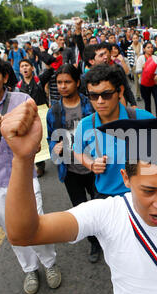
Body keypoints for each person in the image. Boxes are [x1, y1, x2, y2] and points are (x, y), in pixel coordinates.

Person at [0, 105, 157, 294]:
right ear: (126, 178)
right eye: (149, 191)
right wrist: (22, 159)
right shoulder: (106, 213)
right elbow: (24, 234)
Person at [0, 54, 61, 294]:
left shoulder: (23, 100)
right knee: (13, 231)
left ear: (4, 76)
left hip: (25, 177)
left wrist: (26, 141)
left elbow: (37, 144)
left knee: (37, 223)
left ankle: (50, 264)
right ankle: (29, 269)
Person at [73, 64, 155, 263]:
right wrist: (91, 164)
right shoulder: (86, 124)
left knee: (146, 247)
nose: (99, 101)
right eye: (93, 96)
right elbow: (76, 151)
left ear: (119, 92)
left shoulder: (142, 118)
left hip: (140, 196)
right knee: (115, 250)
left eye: (106, 94)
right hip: (105, 197)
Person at [46, 64, 96, 260]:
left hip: (94, 168)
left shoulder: (91, 104)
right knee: (81, 209)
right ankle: (93, 242)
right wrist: (54, 148)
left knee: (101, 204)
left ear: (77, 82)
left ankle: (108, 239)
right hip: (70, 172)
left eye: (67, 82)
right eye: (59, 83)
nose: (63, 86)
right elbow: (51, 137)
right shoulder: (54, 111)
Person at [16, 58, 55, 177]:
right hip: (29, 116)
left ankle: (59, 156)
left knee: (50, 135)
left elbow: (51, 69)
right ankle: (40, 165)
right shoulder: (18, 86)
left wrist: (40, 52)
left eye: (27, 65)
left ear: (32, 68)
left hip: (43, 112)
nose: (24, 68)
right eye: (22, 66)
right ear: (20, 70)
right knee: (35, 140)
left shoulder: (39, 80)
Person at [136, 41, 157, 117]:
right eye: (148, 47)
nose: (150, 49)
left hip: (154, 83)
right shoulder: (141, 58)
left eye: (151, 47)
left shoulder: (155, 58)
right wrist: (143, 68)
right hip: (144, 84)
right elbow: (137, 71)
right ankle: (149, 119)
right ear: (144, 49)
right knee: (147, 103)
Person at [127, 34, 143, 101]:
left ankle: (143, 93)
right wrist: (131, 66)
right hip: (134, 65)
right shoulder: (130, 47)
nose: (135, 39)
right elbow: (129, 57)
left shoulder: (141, 45)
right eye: (134, 38)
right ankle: (138, 95)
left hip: (142, 65)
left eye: (136, 38)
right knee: (136, 80)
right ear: (132, 39)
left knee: (142, 80)